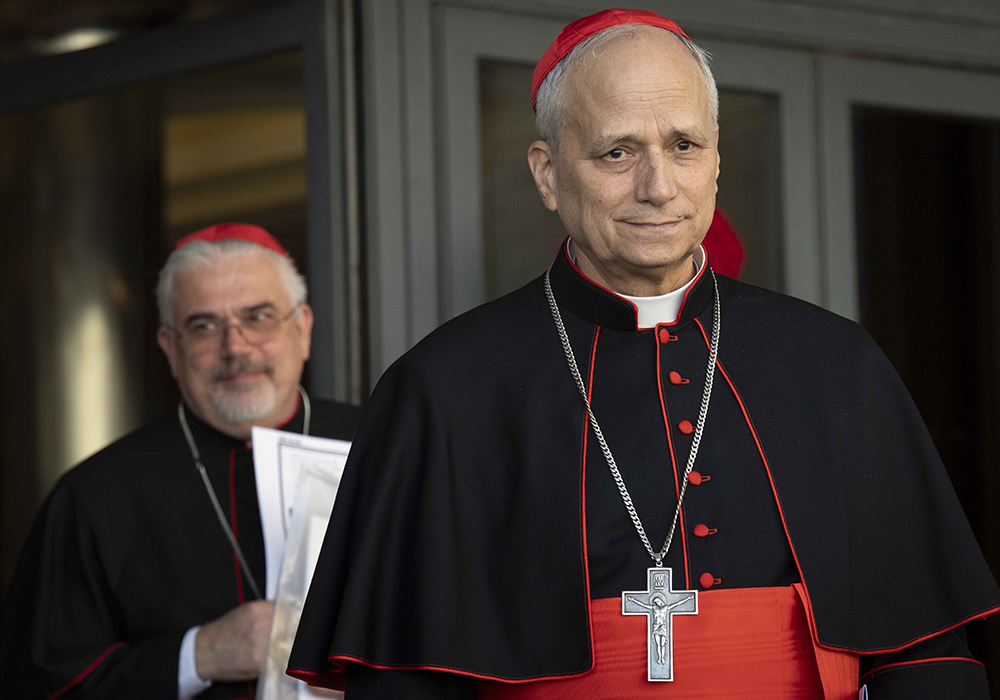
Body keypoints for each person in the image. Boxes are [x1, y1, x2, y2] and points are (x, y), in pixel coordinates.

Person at [287, 9, 1000, 699]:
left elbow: (925, 656)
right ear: (547, 172)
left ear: (716, 159)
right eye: (617, 152)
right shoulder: (444, 390)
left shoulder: (836, 364)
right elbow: (406, 678)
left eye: (684, 145)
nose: (658, 187)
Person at [0, 223, 361, 699]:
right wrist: (200, 654)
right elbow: (39, 682)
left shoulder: (380, 448)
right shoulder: (97, 494)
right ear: (171, 349)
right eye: (204, 326)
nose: (236, 348)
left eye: (258, 316)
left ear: (303, 328)